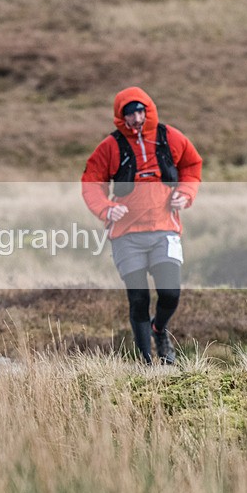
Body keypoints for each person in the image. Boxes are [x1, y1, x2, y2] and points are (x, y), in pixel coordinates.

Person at [82, 86, 202, 365]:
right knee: (138, 299)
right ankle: (147, 363)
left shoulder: (170, 137)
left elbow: (192, 166)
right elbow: (91, 182)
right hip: (126, 236)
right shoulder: (110, 147)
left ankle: (159, 330)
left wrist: (186, 194)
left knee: (170, 294)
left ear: (148, 111)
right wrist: (106, 209)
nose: (136, 119)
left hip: (164, 230)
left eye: (140, 112)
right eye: (129, 114)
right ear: (120, 118)